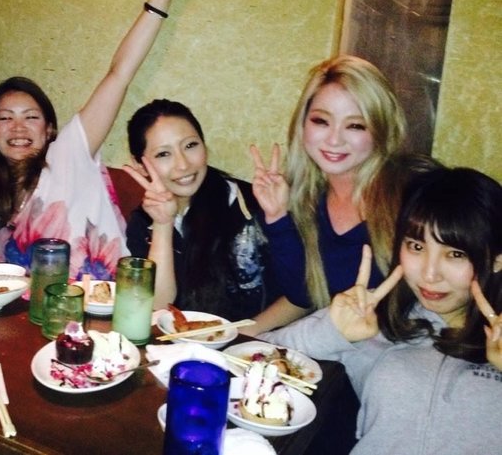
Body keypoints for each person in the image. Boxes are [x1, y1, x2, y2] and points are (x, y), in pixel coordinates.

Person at [0, 0, 200, 279]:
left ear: (50, 129)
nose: (18, 128)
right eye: (5, 118)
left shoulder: (67, 155)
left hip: (105, 303)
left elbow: (119, 73)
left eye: (31, 117)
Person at [260, 166, 502, 454]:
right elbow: (254, 356)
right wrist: (331, 331)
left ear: (497, 260)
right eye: (416, 246)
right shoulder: (378, 318)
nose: (430, 274)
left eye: (455, 254)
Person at [247, 55, 413, 333]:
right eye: (321, 121)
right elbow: (303, 296)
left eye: (355, 125)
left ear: (381, 129)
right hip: (337, 344)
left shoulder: (411, 194)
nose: (334, 139)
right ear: (303, 124)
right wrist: (277, 217)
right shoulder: (305, 199)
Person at [123, 99, 273, 321]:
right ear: (140, 166)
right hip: (183, 339)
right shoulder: (144, 223)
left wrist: (249, 331)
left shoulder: (252, 203)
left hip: (259, 338)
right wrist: (163, 224)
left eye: (190, 145)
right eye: (163, 154)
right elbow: (158, 306)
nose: (183, 164)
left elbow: (303, 295)